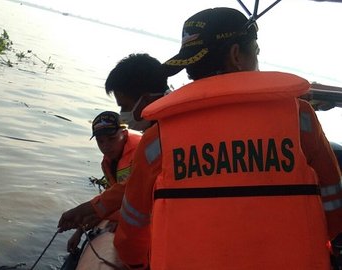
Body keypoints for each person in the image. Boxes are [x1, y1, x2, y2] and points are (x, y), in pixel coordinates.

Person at [138, 7, 342, 269]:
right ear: (237, 55)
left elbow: (135, 218)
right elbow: (332, 198)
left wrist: (133, 260)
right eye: (256, 52)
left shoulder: (158, 136)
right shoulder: (300, 117)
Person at [58, 53, 170, 269]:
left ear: (145, 100)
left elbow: (135, 194)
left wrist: (97, 211)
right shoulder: (148, 140)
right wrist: (91, 213)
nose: (124, 113)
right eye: (100, 140)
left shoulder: (149, 145)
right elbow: (124, 192)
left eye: (125, 106)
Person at [66, 111, 142, 253]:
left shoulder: (141, 151)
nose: (106, 146)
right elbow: (110, 196)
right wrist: (79, 231)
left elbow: (133, 193)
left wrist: (121, 221)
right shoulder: (107, 162)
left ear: (124, 134)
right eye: (100, 141)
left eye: (112, 139)